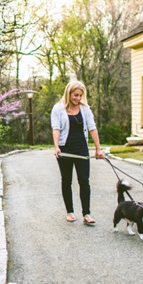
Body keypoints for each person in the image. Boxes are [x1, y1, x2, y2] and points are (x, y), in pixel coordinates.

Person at [51, 81, 104, 225]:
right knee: (66, 180)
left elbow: (92, 128)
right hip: (65, 149)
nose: (78, 98)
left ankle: (87, 214)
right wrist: (56, 147)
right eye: (75, 95)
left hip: (81, 148)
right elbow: (56, 128)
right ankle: (70, 212)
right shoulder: (58, 109)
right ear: (68, 94)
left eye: (80, 95)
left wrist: (98, 149)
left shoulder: (85, 109)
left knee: (84, 180)